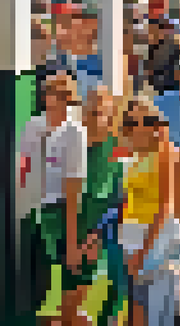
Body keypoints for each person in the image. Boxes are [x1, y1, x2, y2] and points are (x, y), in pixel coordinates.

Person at [18, 72, 91, 326]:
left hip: (59, 216)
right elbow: (22, 169)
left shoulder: (75, 132)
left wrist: (71, 244)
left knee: (59, 300)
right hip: (31, 216)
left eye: (63, 94)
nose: (55, 98)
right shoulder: (32, 126)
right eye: (51, 91)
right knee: (39, 300)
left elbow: (73, 190)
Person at [119, 96, 180, 326]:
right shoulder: (131, 155)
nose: (139, 126)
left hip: (157, 240)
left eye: (146, 120)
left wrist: (143, 252)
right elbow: (128, 202)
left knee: (159, 315)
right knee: (138, 309)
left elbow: (165, 205)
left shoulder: (165, 151)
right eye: (133, 121)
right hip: (132, 238)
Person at [80, 87, 126, 326]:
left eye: (102, 107)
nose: (97, 112)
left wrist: (97, 233)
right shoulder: (74, 147)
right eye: (92, 107)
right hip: (75, 239)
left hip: (110, 241)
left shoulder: (119, 149)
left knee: (112, 308)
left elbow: (122, 200)